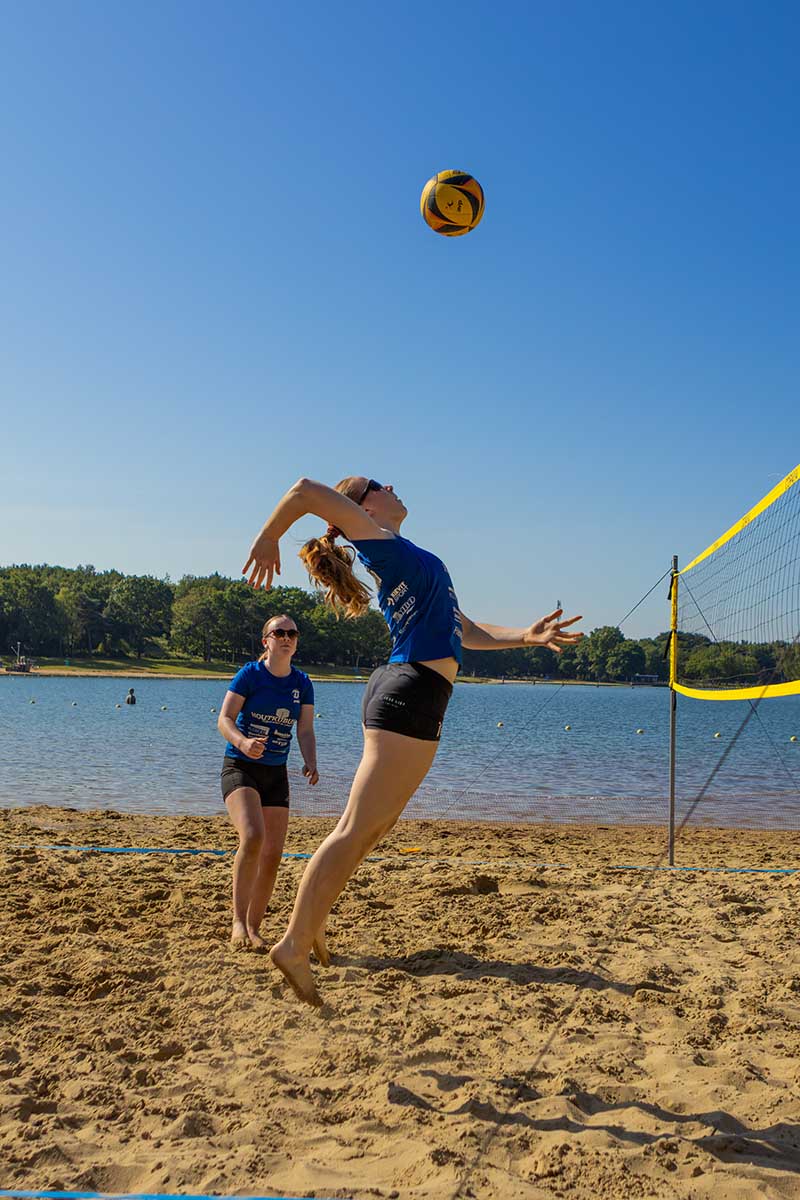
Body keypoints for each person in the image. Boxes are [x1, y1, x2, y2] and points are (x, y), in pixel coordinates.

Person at [243, 477, 582, 1003]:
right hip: (410, 691)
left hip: (410, 690)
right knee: (357, 830)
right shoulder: (375, 537)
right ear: (363, 504)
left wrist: (526, 636)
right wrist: (268, 537)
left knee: (367, 830)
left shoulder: (405, 554)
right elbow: (305, 491)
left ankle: (311, 923)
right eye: (382, 483)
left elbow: (462, 627)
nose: (395, 487)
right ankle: (292, 943)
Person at [217, 614, 319, 950]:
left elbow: (304, 729)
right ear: (267, 641)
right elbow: (225, 719)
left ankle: (254, 927)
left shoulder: (302, 683)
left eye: (292, 633)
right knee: (253, 836)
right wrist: (244, 742)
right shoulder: (250, 674)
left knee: (273, 854)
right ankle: (237, 923)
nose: (286, 637)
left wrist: (310, 761)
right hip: (241, 766)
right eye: (279, 632)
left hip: (276, 772)